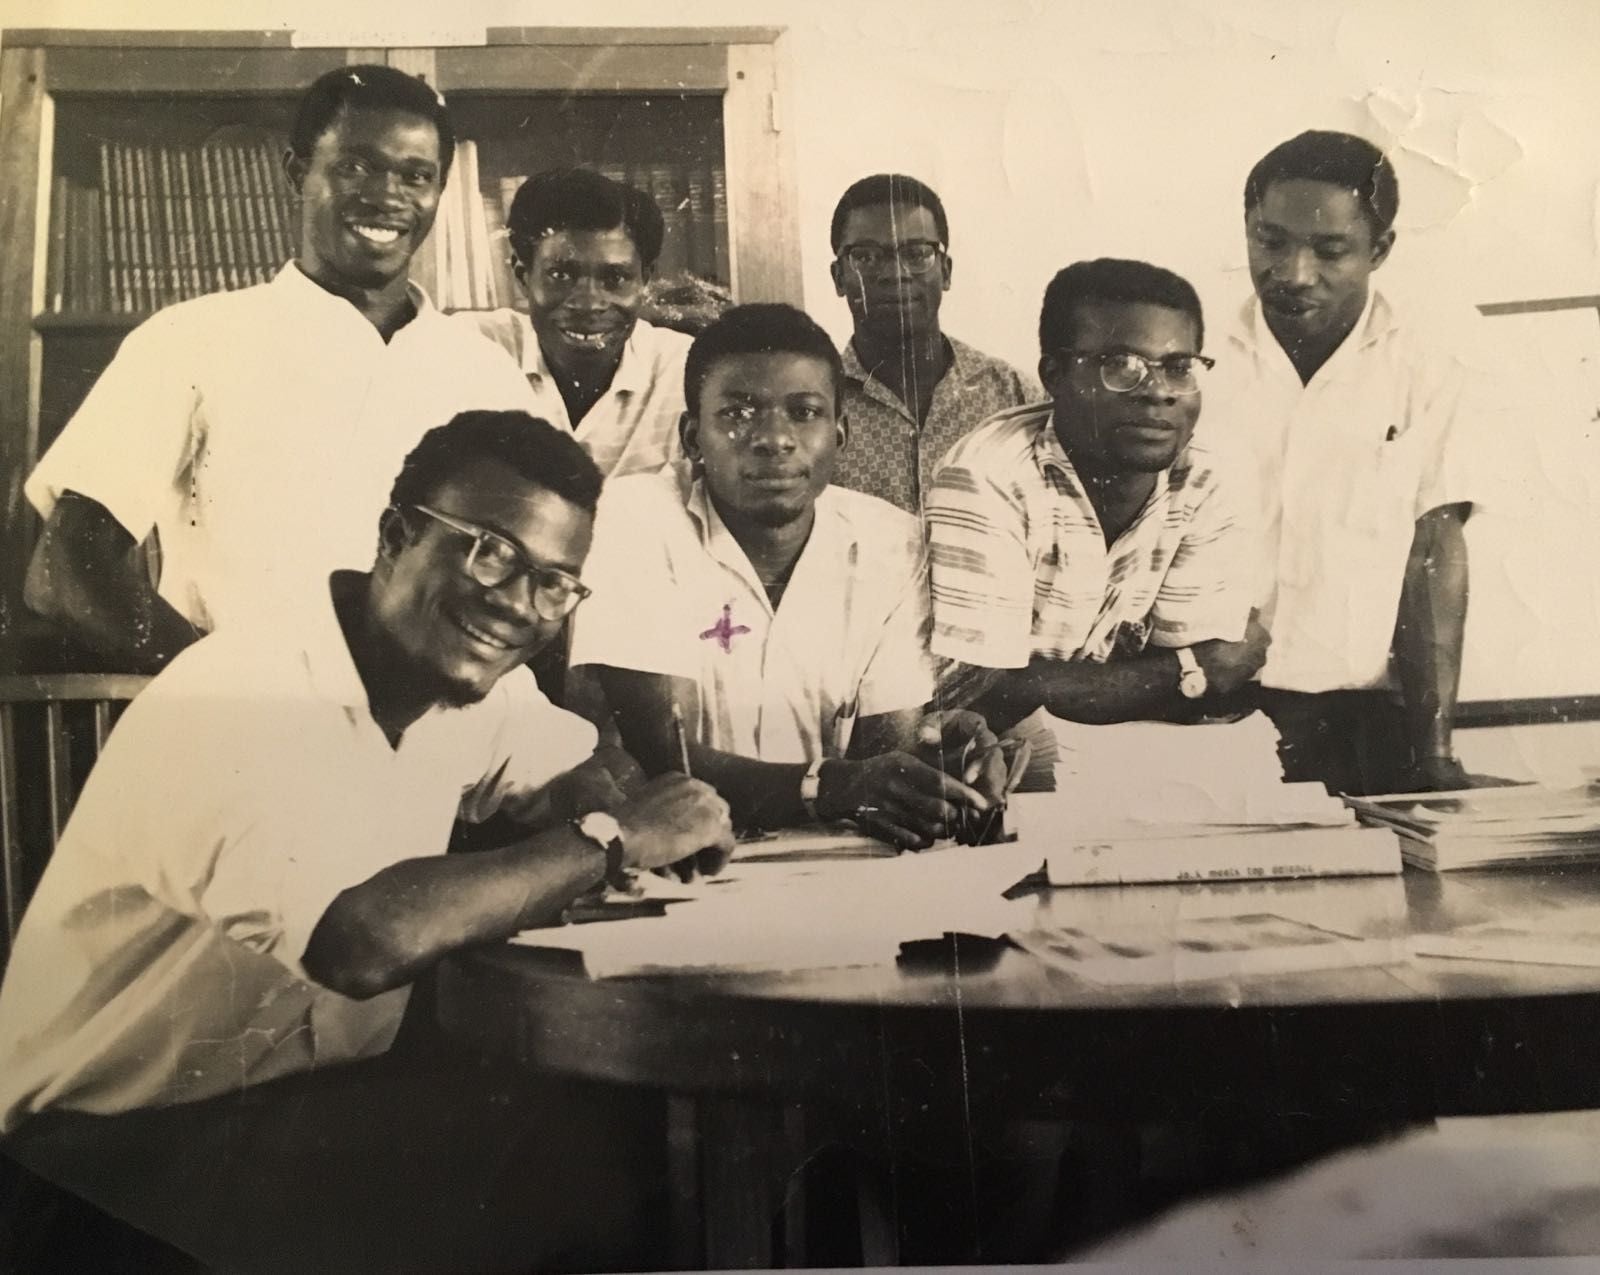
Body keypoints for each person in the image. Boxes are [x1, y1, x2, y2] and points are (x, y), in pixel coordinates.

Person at [0, 410, 734, 1273]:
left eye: (553, 582)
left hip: (287, 1112)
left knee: (616, 1132)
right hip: (90, 1170)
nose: (514, 604)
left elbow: (575, 762)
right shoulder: (240, 694)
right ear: (397, 535)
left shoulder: (465, 679)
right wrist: (615, 835)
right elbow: (359, 942)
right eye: (490, 551)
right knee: (582, 1167)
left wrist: (598, 791)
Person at [23, 65, 538, 675]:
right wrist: (220, 686)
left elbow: (530, 581)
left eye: (415, 175)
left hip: (456, 733)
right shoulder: (190, 340)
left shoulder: (483, 370)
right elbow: (65, 572)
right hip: (256, 730)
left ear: (439, 191)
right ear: (298, 173)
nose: (387, 196)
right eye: (353, 166)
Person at [570, 303, 1005, 850]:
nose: (774, 438)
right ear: (690, 437)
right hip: (674, 859)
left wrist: (936, 766)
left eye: (804, 412)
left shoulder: (892, 542)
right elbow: (664, 756)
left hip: (834, 860)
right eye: (737, 413)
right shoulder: (634, 518)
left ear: (841, 435)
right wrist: (827, 786)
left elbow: (880, 755)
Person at [1210, 130, 1482, 794]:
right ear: (1247, 228)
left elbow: (1435, 546)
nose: (1295, 273)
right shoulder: (1194, 357)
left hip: (1358, 721)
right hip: (1202, 715)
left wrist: (1435, 750)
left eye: (1330, 250)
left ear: (1379, 249)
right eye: (1270, 242)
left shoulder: (1429, 366)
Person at [927, 258, 1268, 732]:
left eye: (1178, 367)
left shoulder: (1209, 471)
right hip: (997, 767)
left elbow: (1196, 696)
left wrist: (1176, 674)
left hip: (1139, 757)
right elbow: (983, 693)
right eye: (1121, 365)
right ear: (1054, 375)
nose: (1158, 392)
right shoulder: (987, 475)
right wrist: (1194, 670)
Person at [827, 173, 1038, 516]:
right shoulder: (814, 405)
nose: (894, 273)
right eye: (865, 256)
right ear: (839, 278)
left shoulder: (1015, 397)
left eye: (917, 253)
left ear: (946, 271)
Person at [462, 166, 692, 478]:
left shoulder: (684, 371)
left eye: (615, 278)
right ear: (522, 276)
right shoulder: (468, 350)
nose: (588, 304)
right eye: (560, 275)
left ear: (644, 281)